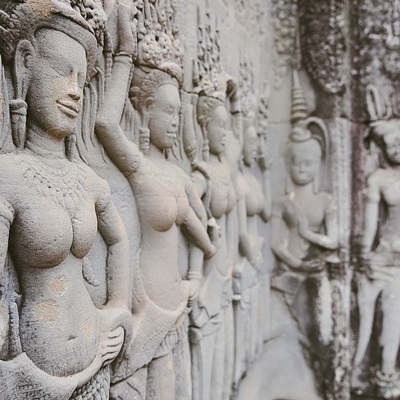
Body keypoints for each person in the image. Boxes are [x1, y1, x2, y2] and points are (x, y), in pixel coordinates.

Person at [0, 0, 132, 399]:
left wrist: (118, 309)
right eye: (62, 72)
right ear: (25, 64)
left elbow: (120, 240)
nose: (75, 90)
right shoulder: (9, 176)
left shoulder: (88, 181)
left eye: (81, 79)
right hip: (36, 375)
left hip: (96, 358)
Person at [94, 2, 217, 399]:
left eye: (179, 112)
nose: (174, 121)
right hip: (144, 308)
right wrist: (125, 54)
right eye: (168, 111)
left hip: (176, 304)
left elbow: (206, 237)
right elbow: (105, 123)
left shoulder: (180, 177)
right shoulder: (139, 168)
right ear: (146, 111)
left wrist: (194, 278)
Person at [353, 118, 400, 397]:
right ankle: (383, 376)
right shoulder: (379, 179)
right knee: (391, 318)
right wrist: (364, 255)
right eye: (391, 144)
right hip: (386, 260)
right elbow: (370, 225)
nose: (396, 148)